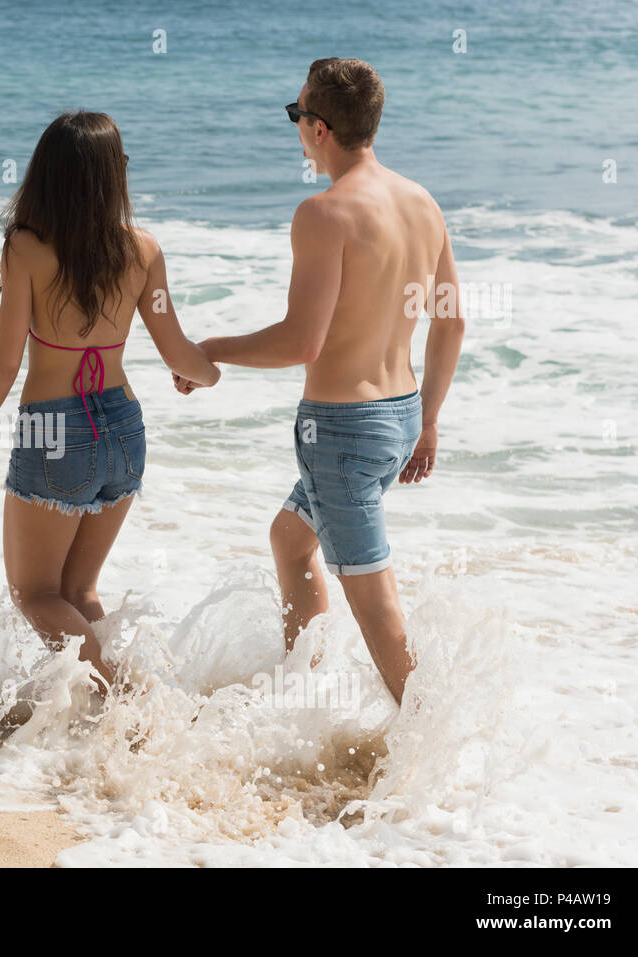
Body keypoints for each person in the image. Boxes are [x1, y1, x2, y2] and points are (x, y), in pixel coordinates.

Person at [176, 58, 466, 704]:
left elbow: (301, 341)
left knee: (378, 611)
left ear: (321, 129)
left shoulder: (324, 214)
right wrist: (430, 418)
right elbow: (452, 323)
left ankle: (438, 748)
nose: (296, 127)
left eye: (296, 115)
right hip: (399, 418)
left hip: (342, 432)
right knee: (290, 537)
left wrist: (212, 350)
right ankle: (298, 696)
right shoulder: (423, 204)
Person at [0, 110, 220, 692]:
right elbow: (177, 351)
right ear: (111, 176)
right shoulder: (143, 250)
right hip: (124, 427)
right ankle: (134, 703)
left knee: (36, 594)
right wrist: (209, 373)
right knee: (78, 593)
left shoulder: (25, 249)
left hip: (54, 432)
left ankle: (131, 701)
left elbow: (4, 363)